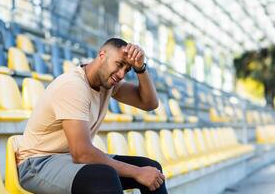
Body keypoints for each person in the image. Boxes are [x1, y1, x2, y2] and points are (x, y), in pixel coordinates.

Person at [16, 38, 168, 194]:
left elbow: (149, 103)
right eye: (119, 64)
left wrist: (140, 68)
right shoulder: (73, 86)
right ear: (102, 55)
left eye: (127, 70)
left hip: (68, 159)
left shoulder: (108, 84)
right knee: (104, 177)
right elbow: (81, 153)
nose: (122, 74)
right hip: (38, 163)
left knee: (151, 168)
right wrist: (137, 173)